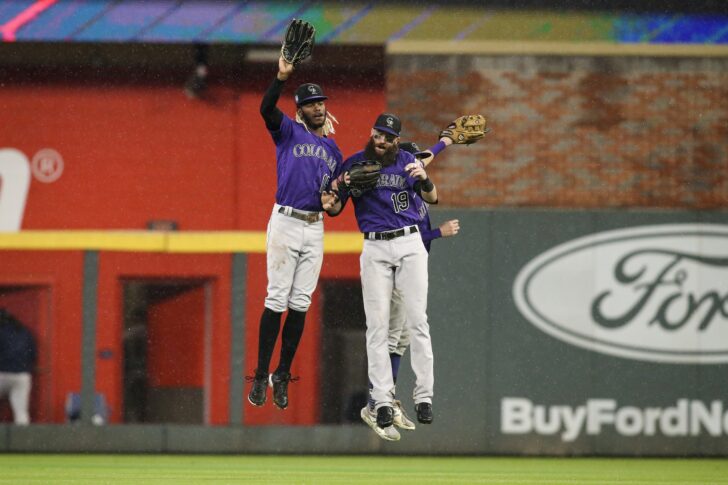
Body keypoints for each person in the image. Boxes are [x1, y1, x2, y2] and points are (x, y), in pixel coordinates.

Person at [327, 114, 439, 441]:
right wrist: (343, 185)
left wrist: (426, 179)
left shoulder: (406, 161)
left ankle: (424, 397)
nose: (381, 140)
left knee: (417, 321)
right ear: (371, 132)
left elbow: (433, 198)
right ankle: (382, 400)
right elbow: (334, 209)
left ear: (395, 140)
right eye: (378, 133)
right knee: (376, 327)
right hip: (374, 245)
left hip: (408, 241)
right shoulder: (354, 163)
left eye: (388, 137)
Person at [246, 54, 343, 411]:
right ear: (300, 110)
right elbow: (265, 108)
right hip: (286, 221)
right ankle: (260, 373)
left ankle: (281, 375)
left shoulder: (334, 150)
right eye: (310, 104)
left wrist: (336, 203)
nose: (318, 107)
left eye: (321, 103)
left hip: (315, 227)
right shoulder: (289, 131)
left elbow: (337, 201)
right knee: (276, 299)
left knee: (300, 303)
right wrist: (281, 77)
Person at [365, 140, 460, 438]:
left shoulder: (414, 180)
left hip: (409, 269)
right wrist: (438, 233)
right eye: (411, 159)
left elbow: (425, 159)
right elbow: (414, 236)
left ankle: (383, 399)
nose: (416, 163)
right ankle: (377, 402)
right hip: (396, 270)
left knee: (401, 339)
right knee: (392, 338)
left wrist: (446, 140)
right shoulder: (402, 192)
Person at [0, 309, 37, 425]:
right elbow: (32, 353)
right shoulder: (24, 331)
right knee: (21, 412)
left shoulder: (1, 331)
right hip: (22, 375)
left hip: (2, 373)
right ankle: (24, 440)